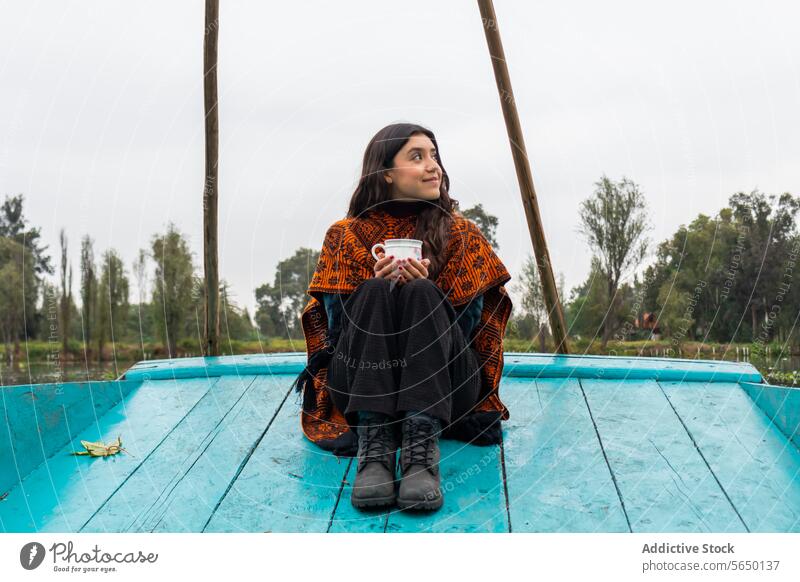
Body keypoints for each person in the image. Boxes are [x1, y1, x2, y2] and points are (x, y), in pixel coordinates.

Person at [291, 122, 513, 512]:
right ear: (387, 172)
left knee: (422, 290)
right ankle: (374, 452)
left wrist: (430, 293)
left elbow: (471, 334)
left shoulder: (461, 234)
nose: (434, 166)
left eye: (434, 156)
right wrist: (370, 286)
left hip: (447, 387)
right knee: (376, 290)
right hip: (361, 382)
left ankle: (419, 453)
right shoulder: (346, 235)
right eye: (417, 157)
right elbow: (339, 338)